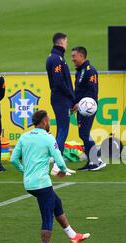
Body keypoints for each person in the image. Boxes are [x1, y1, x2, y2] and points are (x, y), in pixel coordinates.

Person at [10, 110, 90, 243]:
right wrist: (63, 170)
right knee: (47, 217)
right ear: (44, 121)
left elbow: (14, 159)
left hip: (29, 183)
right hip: (42, 183)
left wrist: (24, 170)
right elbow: (58, 158)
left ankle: (73, 235)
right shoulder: (48, 138)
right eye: (48, 120)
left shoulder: (24, 137)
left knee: (56, 204)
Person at [71, 46, 106, 171]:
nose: (72, 59)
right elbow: (79, 91)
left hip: (88, 107)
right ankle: (92, 161)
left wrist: (79, 104)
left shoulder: (90, 70)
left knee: (84, 133)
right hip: (82, 107)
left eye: (74, 56)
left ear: (81, 56)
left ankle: (97, 161)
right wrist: (74, 104)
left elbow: (92, 91)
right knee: (83, 133)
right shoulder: (80, 71)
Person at [46, 32, 76, 174]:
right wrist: (71, 95)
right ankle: (57, 166)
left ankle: (59, 162)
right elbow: (59, 82)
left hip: (60, 98)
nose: (67, 44)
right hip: (61, 99)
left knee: (61, 130)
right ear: (62, 42)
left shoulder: (56, 57)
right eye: (66, 41)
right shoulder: (56, 59)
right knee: (63, 130)